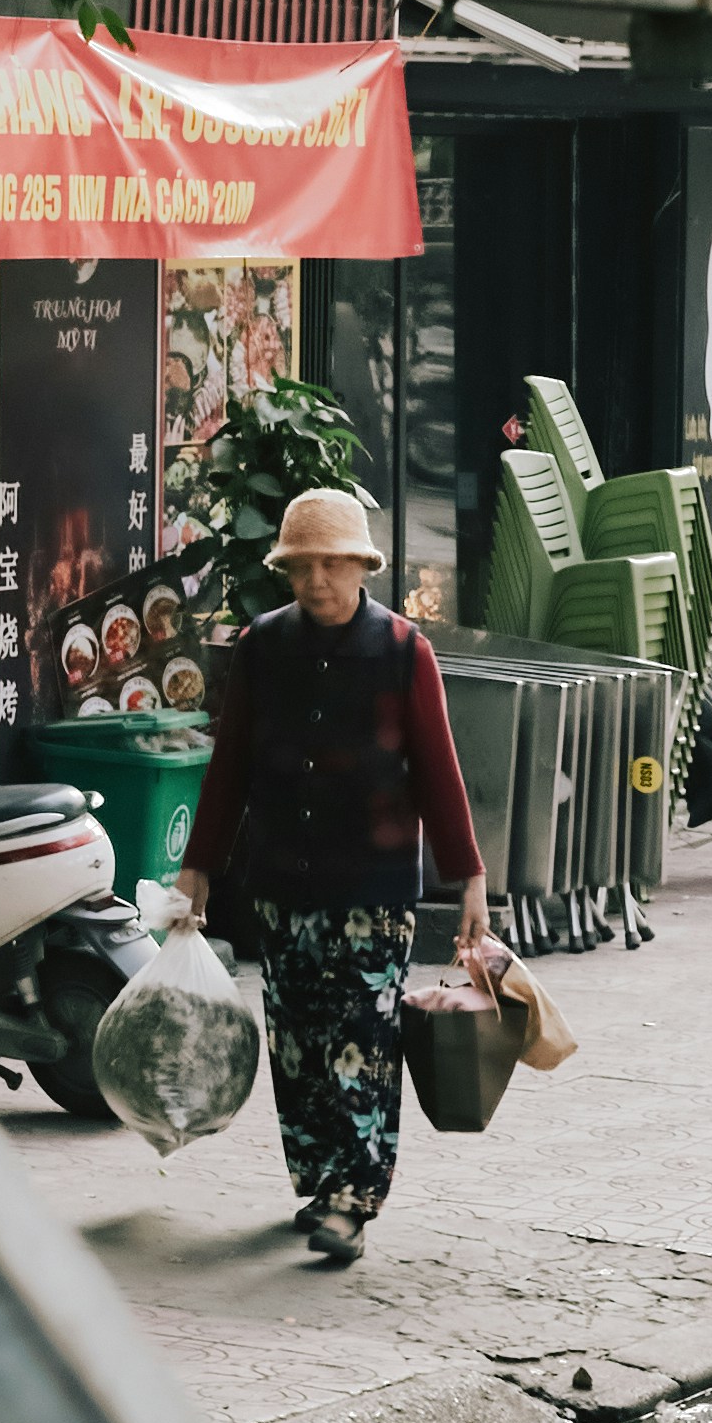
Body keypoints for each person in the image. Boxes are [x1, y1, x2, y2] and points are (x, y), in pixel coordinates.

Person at [178, 484, 492, 1269]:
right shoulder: (261, 646)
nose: (316, 579)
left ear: (360, 565)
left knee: (359, 1038)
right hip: (281, 883)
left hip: (372, 889)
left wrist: (469, 879)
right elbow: (229, 769)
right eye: (301, 564)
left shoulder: (400, 650)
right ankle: (320, 1180)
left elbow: (439, 773)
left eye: (331, 563)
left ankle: (355, 1196)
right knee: (298, 1041)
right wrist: (198, 869)